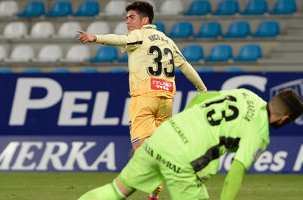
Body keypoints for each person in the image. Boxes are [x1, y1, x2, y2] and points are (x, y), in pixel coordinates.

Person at [78, 1, 207, 199]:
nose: (127, 21)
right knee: (161, 148)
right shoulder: (167, 40)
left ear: (145, 19)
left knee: (142, 151)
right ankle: (155, 194)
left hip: (144, 98)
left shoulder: (139, 35)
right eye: (127, 18)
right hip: (166, 100)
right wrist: (202, 89)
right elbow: (186, 66)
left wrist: (95, 37)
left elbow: (119, 39)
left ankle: (182, 173)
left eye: (132, 17)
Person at [78, 88, 303, 200]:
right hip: (182, 158)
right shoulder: (260, 132)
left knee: (116, 190)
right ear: (286, 119)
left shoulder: (246, 94)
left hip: (163, 136)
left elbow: (200, 99)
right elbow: (234, 175)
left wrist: (181, 128)